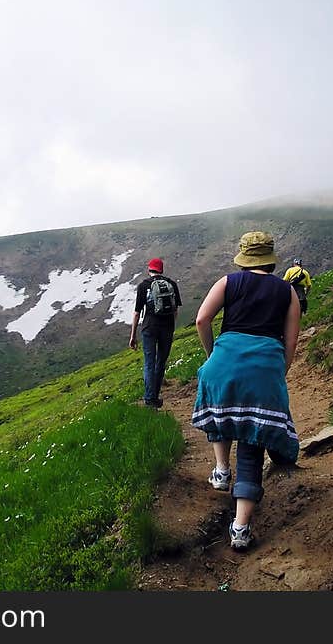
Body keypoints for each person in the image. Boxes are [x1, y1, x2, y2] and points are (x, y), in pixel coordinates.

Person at [192, 231, 301, 550]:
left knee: (222, 415)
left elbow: (202, 319)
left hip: (222, 364)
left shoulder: (227, 282)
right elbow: (291, 340)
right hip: (264, 371)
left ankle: (222, 469)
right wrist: (280, 371)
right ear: (270, 259)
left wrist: (213, 355)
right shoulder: (288, 292)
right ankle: (240, 528)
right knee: (253, 442)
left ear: (243, 258)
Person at [129, 257, 182, 408]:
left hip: (149, 328)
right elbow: (175, 310)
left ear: (149, 269)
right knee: (161, 362)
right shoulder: (171, 284)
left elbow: (137, 313)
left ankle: (149, 398)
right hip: (167, 328)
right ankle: (155, 396)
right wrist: (171, 326)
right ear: (162, 269)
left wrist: (133, 335)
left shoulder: (143, 286)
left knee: (149, 363)